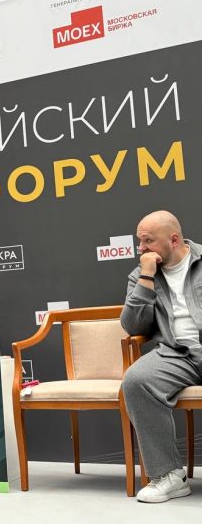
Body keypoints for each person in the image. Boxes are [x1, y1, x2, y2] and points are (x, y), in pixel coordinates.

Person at [121, 210, 202, 503]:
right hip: (176, 354)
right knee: (136, 380)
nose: (141, 248)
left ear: (174, 240)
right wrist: (146, 278)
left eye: (147, 241)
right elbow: (133, 326)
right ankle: (169, 475)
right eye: (139, 241)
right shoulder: (140, 275)